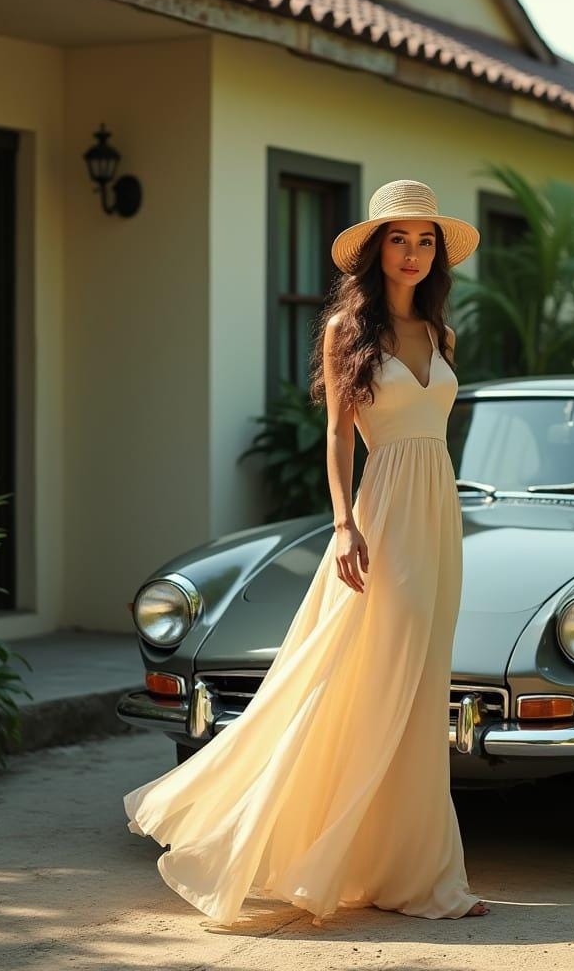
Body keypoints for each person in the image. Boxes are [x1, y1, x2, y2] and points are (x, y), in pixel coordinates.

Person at [122, 178, 491, 926]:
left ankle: (417, 874)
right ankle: (301, 844)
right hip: (380, 515)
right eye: (400, 239)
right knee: (361, 679)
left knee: (421, 693)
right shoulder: (345, 334)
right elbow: (338, 438)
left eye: (425, 241)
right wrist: (345, 525)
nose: (413, 254)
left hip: (436, 515)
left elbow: (436, 440)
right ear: (376, 250)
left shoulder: (442, 333)